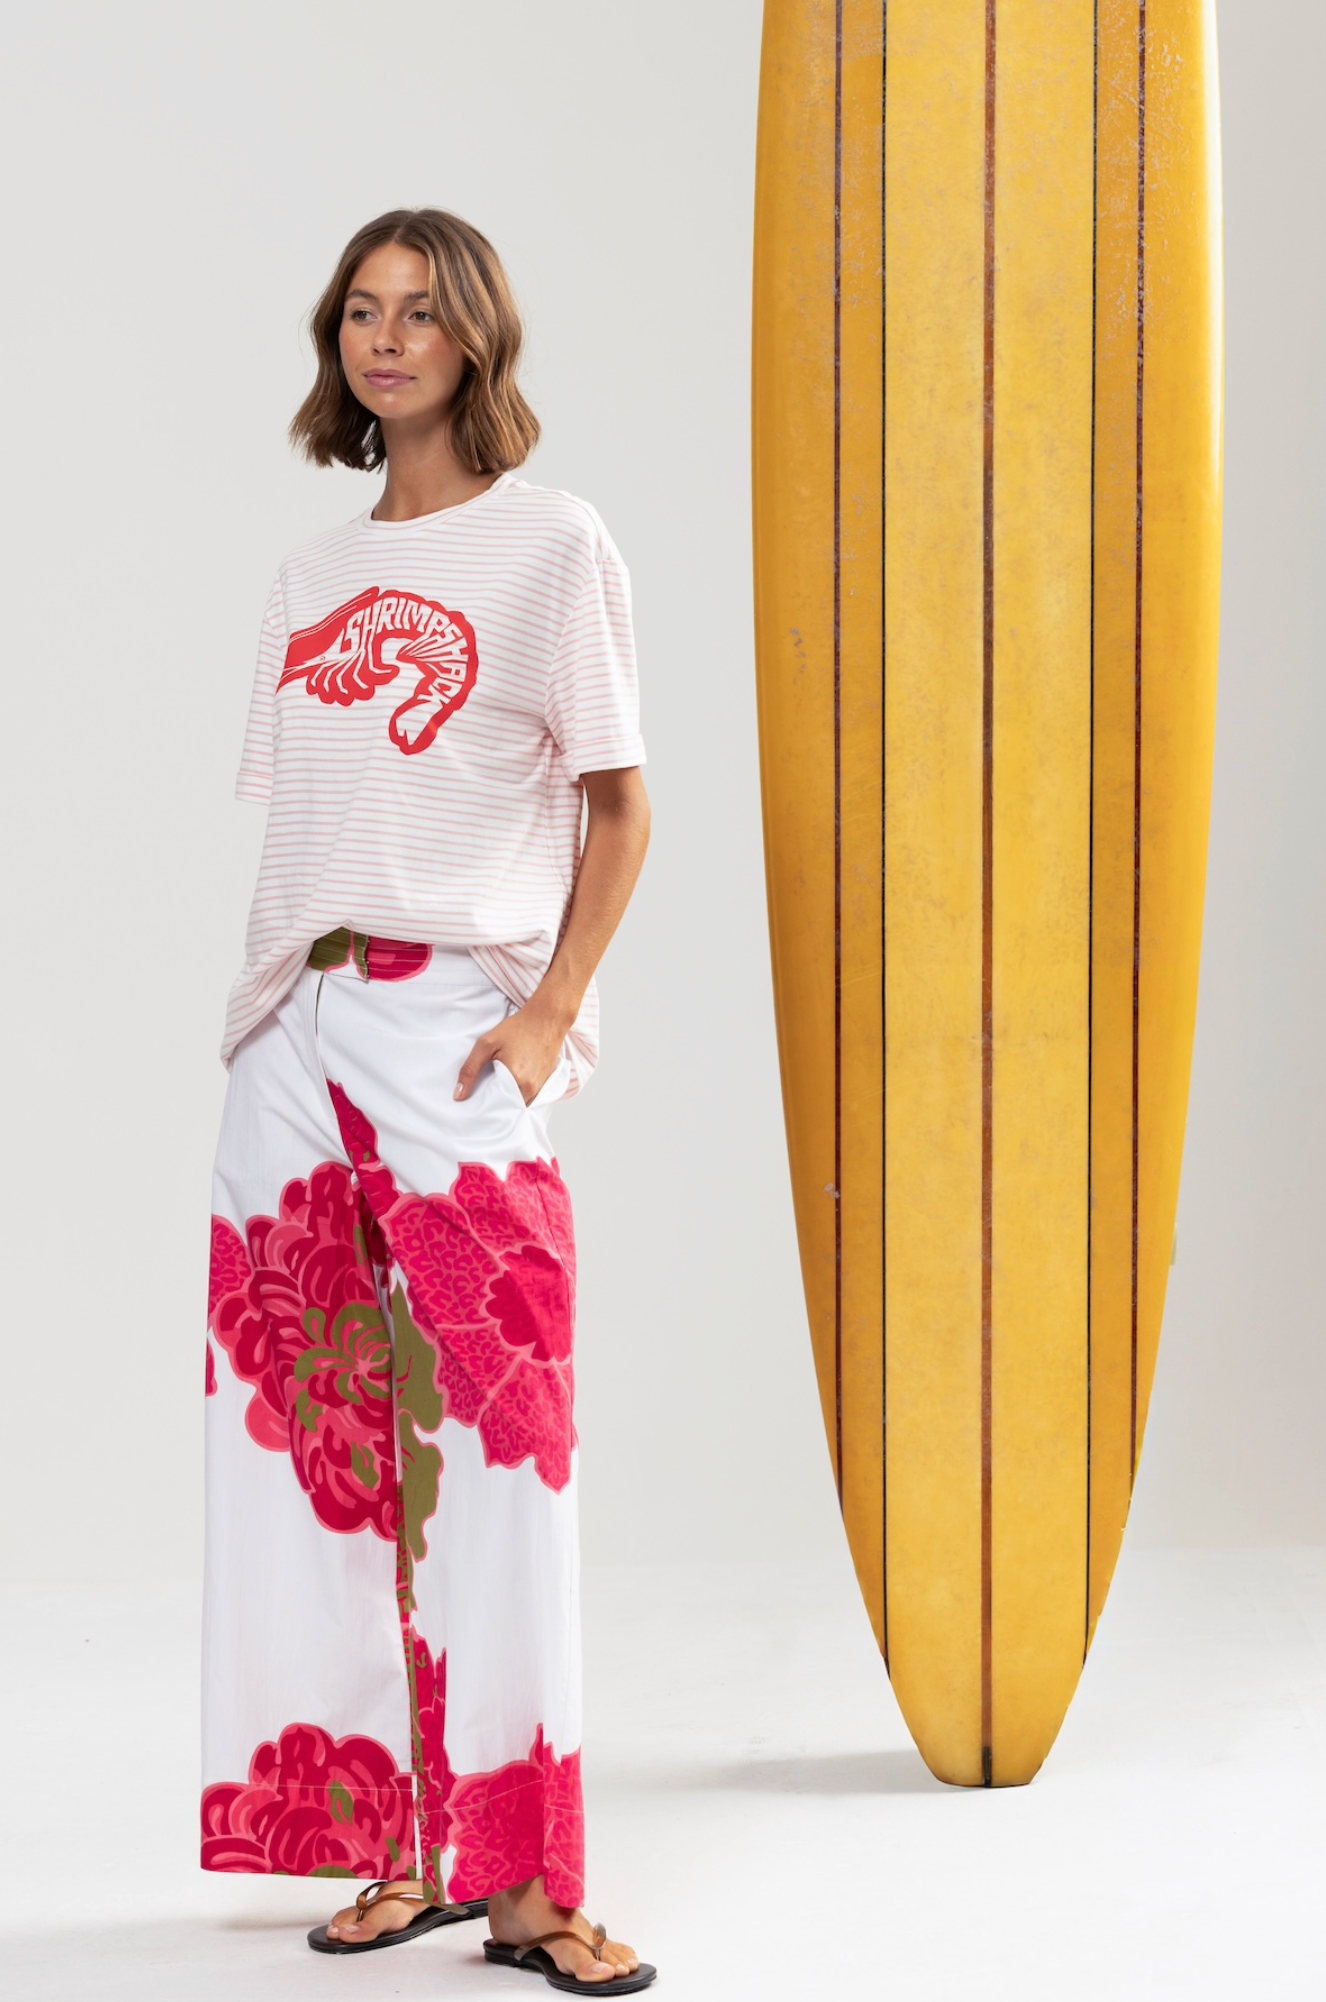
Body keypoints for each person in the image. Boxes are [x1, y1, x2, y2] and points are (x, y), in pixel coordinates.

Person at [201, 208, 654, 1993]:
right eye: (359, 314)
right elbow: (324, 822)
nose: (385, 340)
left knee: (505, 1435)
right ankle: (392, 1846)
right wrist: (269, 1035)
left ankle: (526, 1881)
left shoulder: (554, 543)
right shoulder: (309, 575)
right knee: (320, 1450)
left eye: (418, 313)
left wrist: (549, 1013)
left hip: (450, 1021)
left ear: (474, 338)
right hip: (292, 1029)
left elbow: (618, 803)